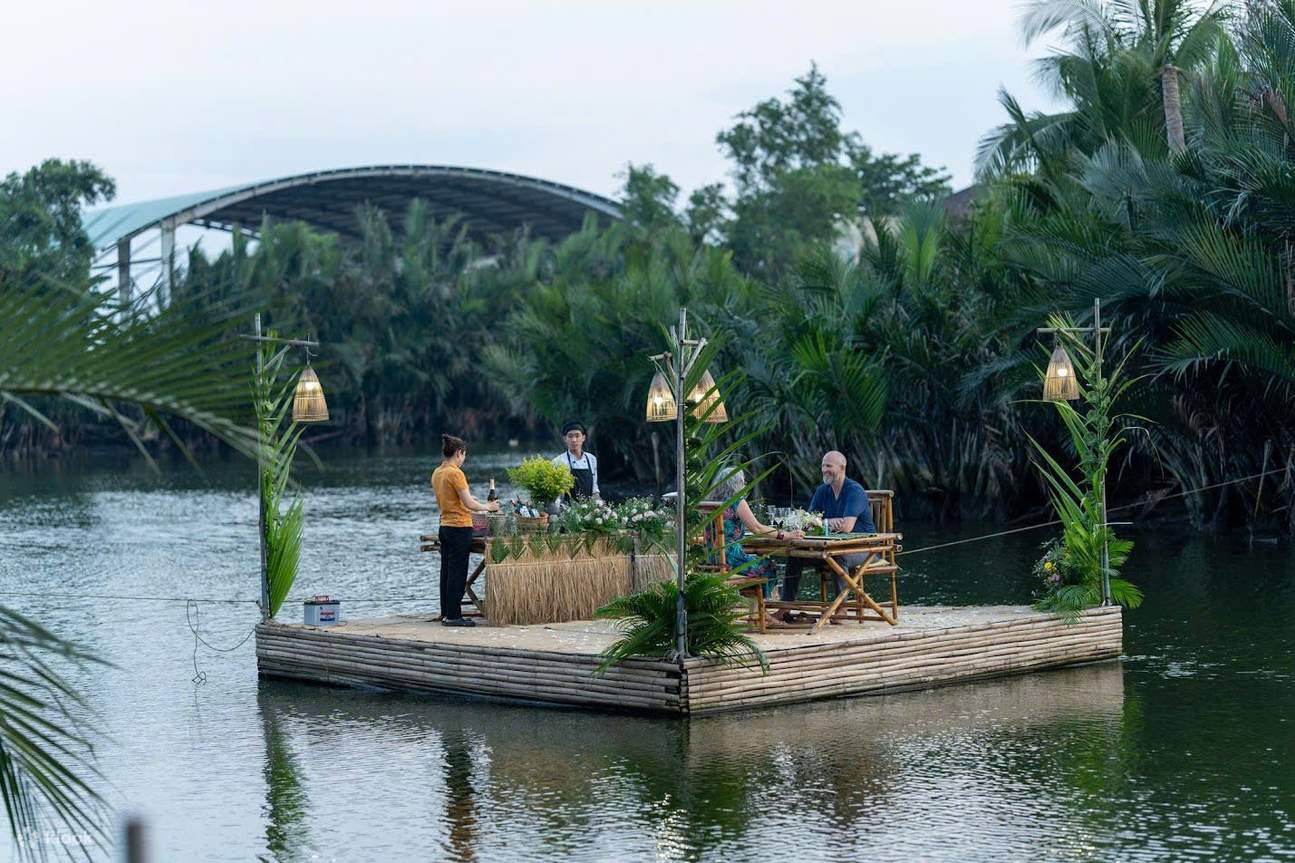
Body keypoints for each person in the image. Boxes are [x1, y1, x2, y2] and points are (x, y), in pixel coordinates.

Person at [779, 450, 877, 615]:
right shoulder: (822, 491)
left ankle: (841, 608)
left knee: (839, 556)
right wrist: (827, 522)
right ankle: (785, 607)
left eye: (829, 466)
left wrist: (821, 522)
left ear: (842, 467)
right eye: (823, 465)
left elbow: (847, 527)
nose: (825, 469)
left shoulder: (855, 491)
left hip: (865, 549)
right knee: (794, 556)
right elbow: (806, 522)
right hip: (829, 549)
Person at [431, 433, 500, 627]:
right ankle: (454, 616)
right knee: (458, 572)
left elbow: (456, 500)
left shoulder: (438, 472)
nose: (464, 459)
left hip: (444, 525)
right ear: (459, 453)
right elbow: (469, 503)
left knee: (446, 571)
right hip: (459, 527)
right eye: (464, 454)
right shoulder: (455, 473)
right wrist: (489, 507)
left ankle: (447, 611)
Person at [705, 466, 802, 597]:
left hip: (709, 559)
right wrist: (786, 535)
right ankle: (760, 608)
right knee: (769, 566)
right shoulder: (736, 501)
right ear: (738, 484)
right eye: (743, 482)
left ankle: (751, 607)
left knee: (758, 563)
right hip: (729, 559)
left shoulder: (710, 503)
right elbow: (757, 528)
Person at [551, 419, 600, 505]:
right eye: (570, 436)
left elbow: (594, 490)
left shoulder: (591, 459)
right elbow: (557, 495)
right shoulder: (558, 461)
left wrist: (601, 505)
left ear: (583, 438)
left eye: (577, 436)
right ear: (565, 439)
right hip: (567, 509)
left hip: (588, 509)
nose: (574, 440)